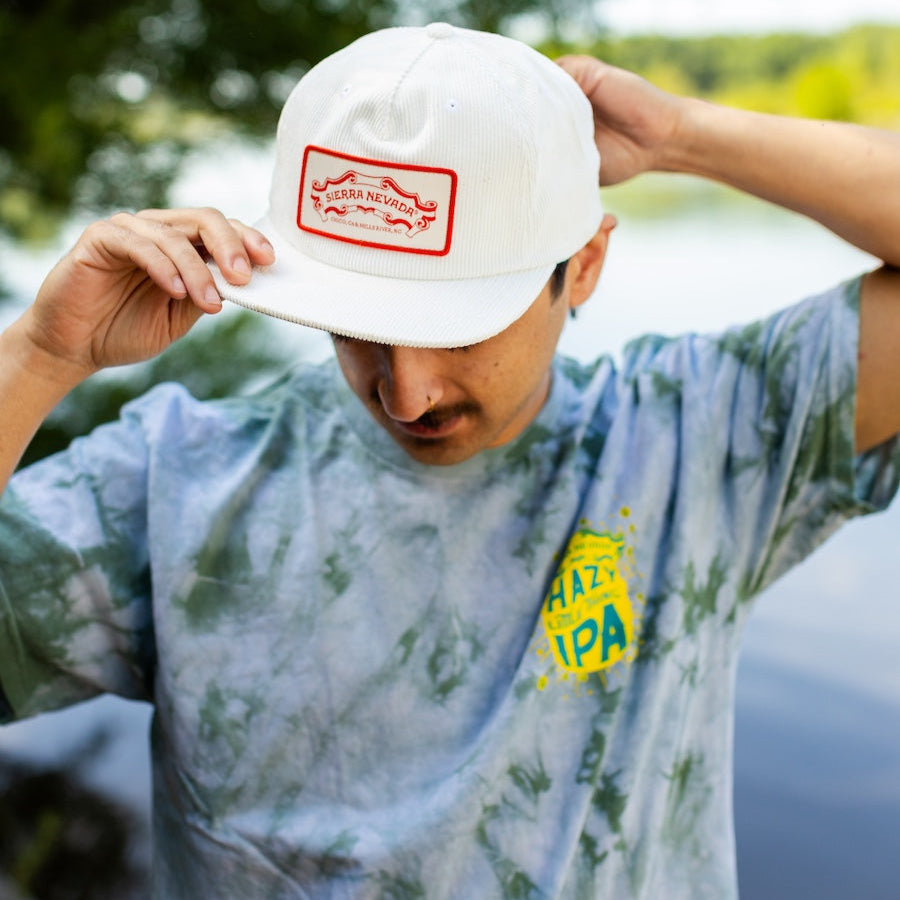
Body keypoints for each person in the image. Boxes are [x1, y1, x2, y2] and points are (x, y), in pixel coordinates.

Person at [1, 21, 899, 899]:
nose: (407, 394)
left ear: (584, 265)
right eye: (358, 323)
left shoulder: (698, 436)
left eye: (462, 329)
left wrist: (682, 135)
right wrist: (40, 356)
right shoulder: (180, 478)